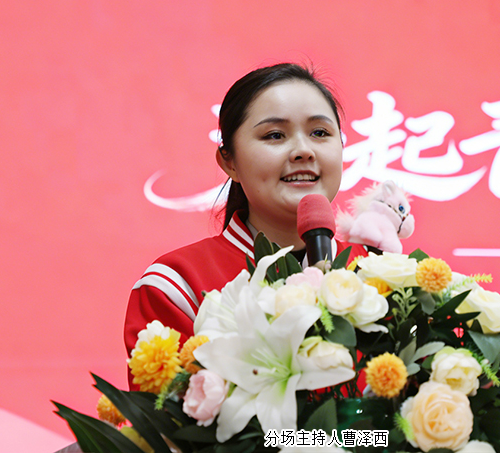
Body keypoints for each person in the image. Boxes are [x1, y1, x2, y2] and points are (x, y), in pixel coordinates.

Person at [124, 63, 369, 390]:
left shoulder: (382, 277)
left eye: (320, 133)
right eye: (275, 135)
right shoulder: (176, 285)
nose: (303, 151)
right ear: (229, 162)